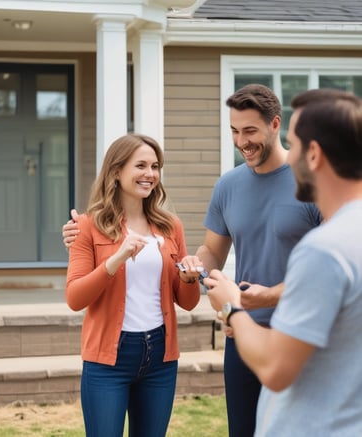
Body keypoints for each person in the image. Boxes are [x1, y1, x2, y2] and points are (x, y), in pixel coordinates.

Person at [63, 84, 322, 436]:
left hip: (306, 330)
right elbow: (212, 251)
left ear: (275, 125)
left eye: (250, 131)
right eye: (234, 131)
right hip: (242, 331)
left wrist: (270, 295)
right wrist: (197, 271)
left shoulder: (314, 181)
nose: (241, 140)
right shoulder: (228, 186)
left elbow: (337, 264)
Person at [205, 88, 362, 436]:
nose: (289, 158)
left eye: (295, 143)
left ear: (315, 155)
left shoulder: (325, 248)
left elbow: (276, 366)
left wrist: (232, 308)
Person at [65, 133, 201, 437]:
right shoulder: (87, 226)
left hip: (160, 357)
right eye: (140, 165)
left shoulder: (170, 226)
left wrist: (189, 278)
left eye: (155, 166)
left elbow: (188, 301)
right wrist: (117, 258)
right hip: (108, 359)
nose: (150, 174)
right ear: (116, 171)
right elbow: (75, 298)